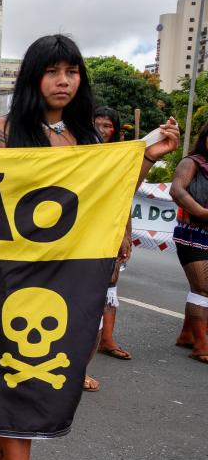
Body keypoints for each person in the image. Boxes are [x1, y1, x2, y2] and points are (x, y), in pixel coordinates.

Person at [0, 33, 179, 460]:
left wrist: (148, 157)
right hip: (12, 271)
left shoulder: (87, 139)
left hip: (70, 273)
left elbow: (105, 198)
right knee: (24, 370)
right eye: (51, 71)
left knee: (43, 367)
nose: (63, 81)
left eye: (72, 71)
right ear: (33, 78)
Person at [92, 106, 131, 361]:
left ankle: (107, 339)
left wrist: (126, 233)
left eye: (108, 126)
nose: (103, 130)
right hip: (83, 228)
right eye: (99, 124)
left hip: (111, 227)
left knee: (110, 285)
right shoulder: (78, 150)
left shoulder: (119, 157)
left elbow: (124, 197)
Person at [169, 123, 208, 362]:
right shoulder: (192, 162)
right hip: (193, 233)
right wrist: (202, 213)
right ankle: (202, 346)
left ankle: (187, 336)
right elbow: (177, 190)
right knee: (203, 288)